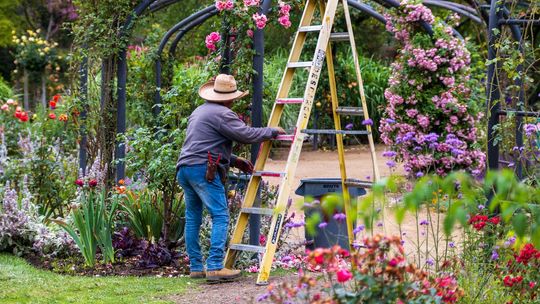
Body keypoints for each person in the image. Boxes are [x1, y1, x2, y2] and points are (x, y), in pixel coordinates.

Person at [176, 74, 285, 283]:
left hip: (185, 168)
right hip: (202, 169)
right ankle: (216, 266)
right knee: (220, 215)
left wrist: (233, 160)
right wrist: (271, 132)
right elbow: (246, 134)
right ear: (230, 98)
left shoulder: (199, 111)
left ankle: (196, 267)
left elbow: (203, 143)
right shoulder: (223, 114)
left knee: (193, 218)